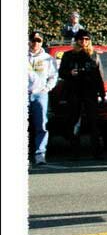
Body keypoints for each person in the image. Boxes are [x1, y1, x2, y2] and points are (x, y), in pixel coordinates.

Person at [58, 29, 105, 159]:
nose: (83, 42)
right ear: (76, 40)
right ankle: (74, 152)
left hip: (90, 91)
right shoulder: (68, 55)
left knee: (93, 122)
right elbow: (61, 72)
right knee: (74, 122)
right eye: (81, 39)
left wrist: (102, 93)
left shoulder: (94, 55)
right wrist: (70, 73)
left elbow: (99, 75)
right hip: (74, 91)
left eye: (86, 39)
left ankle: (97, 152)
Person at [28, 30, 58, 165]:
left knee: (41, 125)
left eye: (38, 40)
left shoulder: (48, 59)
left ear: (42, 42)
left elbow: (53, 76)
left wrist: (46, 88)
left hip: (40, 95)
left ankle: (40, 154)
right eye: (33, 40)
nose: (35, 43)